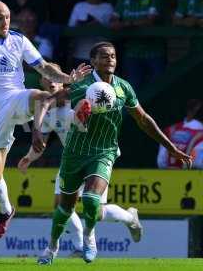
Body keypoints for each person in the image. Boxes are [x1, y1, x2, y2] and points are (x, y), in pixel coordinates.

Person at [35, 41, 192, 264]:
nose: (110, 59)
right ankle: (51, 248)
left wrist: (171, 148)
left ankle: (89, 238)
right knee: (65, 207)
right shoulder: (82, 85)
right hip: (75, 152)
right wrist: (37, 132)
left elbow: (144, 120)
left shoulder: (123, 87)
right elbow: (49, 100)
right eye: (104, 56)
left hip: (104, 151)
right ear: (93, 61)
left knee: (91, 201)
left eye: (114, 56)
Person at [0, 0, 91, 240]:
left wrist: (70, 78)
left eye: (7, 16)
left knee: (41, 95)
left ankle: (41, 127)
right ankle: (6, 211)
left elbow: (46, 69)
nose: (5, 21)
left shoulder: (19, 40)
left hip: (16, 97)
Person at [18, 76, 143, 256]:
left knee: (96, 212)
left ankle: (131, 218)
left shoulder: (80, 99)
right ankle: (78, 247)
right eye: (47, 81)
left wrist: (83, 113)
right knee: (60, 207)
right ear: (41, 85)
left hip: (95, 156)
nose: (52, 83)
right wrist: (29, 158)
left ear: (63, 85)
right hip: (71, 160)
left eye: (55, 80)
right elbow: (41, 144)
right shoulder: (47, 114)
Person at [110, 0, 166, 91]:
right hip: (132, 52)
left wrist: (126, 24)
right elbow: (114, 19)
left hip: (154, 51)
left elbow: (151, 20)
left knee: (158, 89)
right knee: (133, 91)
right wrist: (120, 23)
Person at [68, 0, 113, 67]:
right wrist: (79, 25)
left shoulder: (108, 8)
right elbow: (70, 27)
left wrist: (98, 25)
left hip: (100, 56)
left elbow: (111, 31)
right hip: (79, 55)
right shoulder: (79, 6)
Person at [157, 99, 203, 169]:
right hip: (191, 176)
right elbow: (198, 164)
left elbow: (161, 162)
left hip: (168, 174)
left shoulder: (170, 130)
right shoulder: (200, 133)